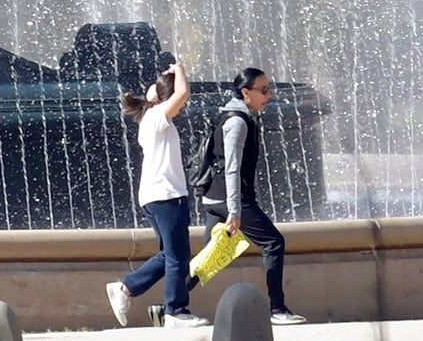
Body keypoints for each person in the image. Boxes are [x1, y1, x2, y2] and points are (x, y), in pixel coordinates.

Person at [106, 60, 199, 327]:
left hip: (156, 195)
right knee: (178, 257)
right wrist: (179, 69)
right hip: (166, 195)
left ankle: (125, 288)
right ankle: (175, 311)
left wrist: (157, 90)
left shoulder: (153, 117)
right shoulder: (158, 116)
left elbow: (176, 94)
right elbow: (182, 93)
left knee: (169, 254)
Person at [215, 67, 306, 326]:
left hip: (216, 197)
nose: (269, 95)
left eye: (269, 89)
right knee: (273, 242)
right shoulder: (237, 122)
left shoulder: (235, 115)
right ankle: (277, 309)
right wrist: (235, 210)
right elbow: (231, 168)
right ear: (246, 93)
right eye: (263, 90)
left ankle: (169, 305)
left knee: (211, 256)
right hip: (231, 199)